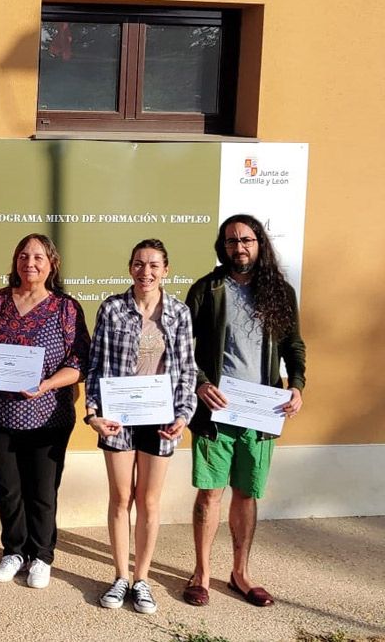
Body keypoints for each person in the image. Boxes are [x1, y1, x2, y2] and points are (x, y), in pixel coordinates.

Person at [183, 214, 306, 608]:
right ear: (223, 246)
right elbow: (184, 348)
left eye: (247, 240)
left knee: (247, 495)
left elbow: (294, 347)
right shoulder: (207, 289)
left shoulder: (281, 293)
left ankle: (240, 573)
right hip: (216, 412)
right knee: (209, 495)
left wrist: (298, 387)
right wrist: (202, 383)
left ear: (259, 243)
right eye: (232, 240)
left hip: (261, 412)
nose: (240, 247)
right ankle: (201, 574)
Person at [0, 233, 89, 589]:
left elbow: (80, 361)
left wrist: (47, 385)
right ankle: (14, 551)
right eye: (23, 256)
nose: (29, 263)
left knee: (42, 490)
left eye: (37, 257)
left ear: (51, 264)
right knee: (8, 487)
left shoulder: (66, 308)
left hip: (47, 416)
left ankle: (42, 555)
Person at [84, 239, 197, 614]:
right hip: (118, 418)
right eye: (138, 264)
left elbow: (186, 372)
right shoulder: (113, 309)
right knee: (121, 498)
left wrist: (183, 416)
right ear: (129, 267)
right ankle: (119, 576)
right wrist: (93, 412)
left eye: (153, 265)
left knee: (149, 501)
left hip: (161, 418)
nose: (145, 272)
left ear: (166, 270)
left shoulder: (179, 313)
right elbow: (96, 364)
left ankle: (142, 579)